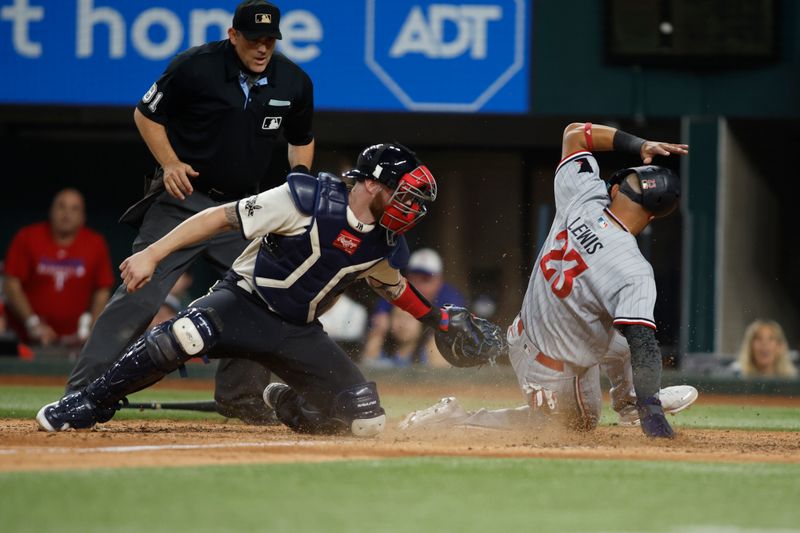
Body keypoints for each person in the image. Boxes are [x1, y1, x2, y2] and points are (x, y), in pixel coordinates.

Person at [36, 143, 499, 437]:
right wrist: (153, 254)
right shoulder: (305, 197)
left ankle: (288, 401)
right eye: (403, 195)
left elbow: (392, 286)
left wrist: (437, 318)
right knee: (183, 337)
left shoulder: (383, 241)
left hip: (298, 332)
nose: (410, 209)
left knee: (366, 420)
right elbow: (217, 217)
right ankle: (87, 402)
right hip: (242, 302)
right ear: (373, 182)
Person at [64, 0, 315, 424]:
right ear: (233, 35)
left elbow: (301, 137)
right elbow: (147, 114)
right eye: (254, 39)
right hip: (184, 199)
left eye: (270, 40)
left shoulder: (293, 80)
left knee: (266, 293)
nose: (262, 48)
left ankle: (241, 397)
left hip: (240, 208)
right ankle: (80, 394)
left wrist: (302, 175)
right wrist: (170, 162)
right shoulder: (195, 66)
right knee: (139, 291)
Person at [401, 122, 697, 438]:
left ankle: (631, 404)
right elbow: (644, 343)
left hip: (525, 333)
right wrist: (655, 416)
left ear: (615, 188)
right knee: (574, 427)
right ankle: (458, 419)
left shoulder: (584, 195)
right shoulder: (632, 268)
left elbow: (574, 134)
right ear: (652, 217)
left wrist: (638, 144)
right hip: (552, 371)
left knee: (621, 335)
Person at [3, 189, 113, 348]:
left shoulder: (95, 243)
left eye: (74, 209)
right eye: (61, 207)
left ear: (83, 217)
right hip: (26, 338)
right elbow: (11, 284)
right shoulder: (27, 237)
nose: (67, 213)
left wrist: (90, 328)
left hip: (76, 340)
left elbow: (102, 289)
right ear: (51, 211)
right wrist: (32, 323)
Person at [362, 248, 466, 366]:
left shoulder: (450, 297)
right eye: (415, 277)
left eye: (425, 279)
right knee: (378, 331)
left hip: (425, 351)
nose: (419, 284)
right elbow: (380, 321)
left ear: (439, 280)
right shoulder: (395, 290)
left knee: (439, 342)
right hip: (393, 349)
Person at [733, 319, 797, 379]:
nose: (764, 344)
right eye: (759, 338)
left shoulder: (792, 379)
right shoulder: (736, 375)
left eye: (771, 339)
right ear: (750, 346)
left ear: (779, 346)